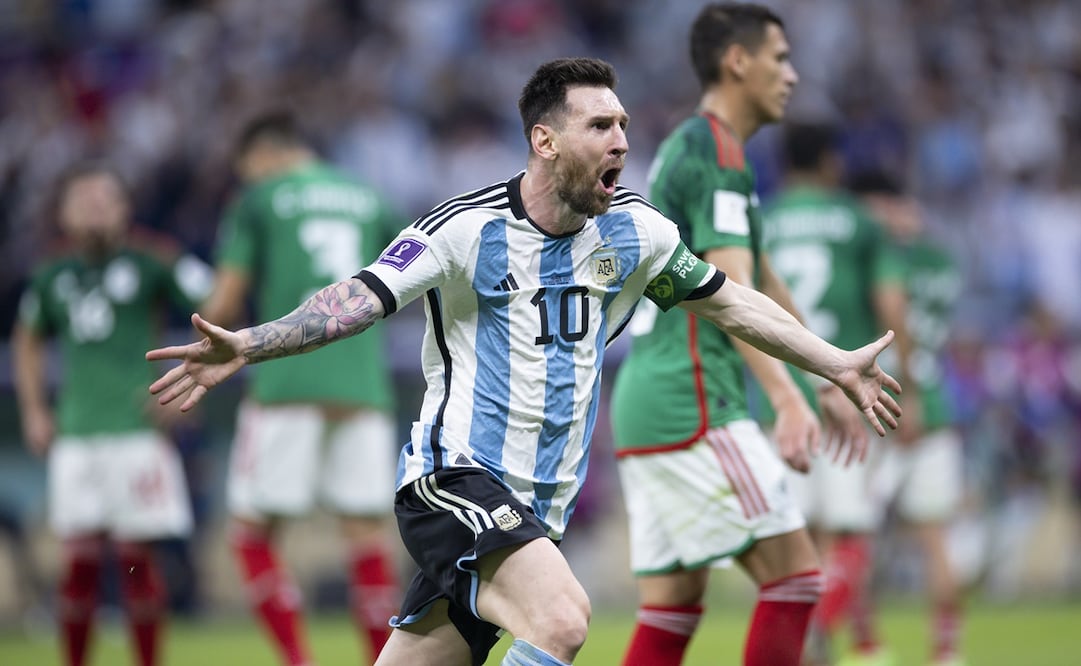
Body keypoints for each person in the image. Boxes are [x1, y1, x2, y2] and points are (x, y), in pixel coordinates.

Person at [146, 57, 902, 666]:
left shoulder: (634, 234)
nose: (620, 142)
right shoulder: (463, 231)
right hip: (453, 481)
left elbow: (732, 302)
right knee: (562, 619)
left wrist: (831, 361)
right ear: (544, 142)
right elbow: (359, 297)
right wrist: (251, 342)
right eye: (600, 126)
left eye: (624, 126)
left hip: (539, 505)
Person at [608, 5, 868, 666]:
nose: (791, 74)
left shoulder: (699, 146)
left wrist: (830, 373)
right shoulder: (715, 150)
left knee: (669, 612)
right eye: (779, 58)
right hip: (691, 399)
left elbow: (769, 284)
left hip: (650, 400)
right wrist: (786, 397)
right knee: (796, 576)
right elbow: (733, 297)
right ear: (737, 61)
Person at [198, 109, 405, 666]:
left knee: (252, 534)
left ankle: (297, 659)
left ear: (260, 156)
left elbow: (221, 303)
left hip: (286, 382)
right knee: (366, 536)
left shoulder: (258, 199)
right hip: (363, 388)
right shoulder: (370, 197)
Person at [12, 161, 213, 666]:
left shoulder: (154, 260)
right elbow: (27, 340)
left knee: (134, 559)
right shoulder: (51, 274)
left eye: (105, 200)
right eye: (84, 202)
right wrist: (35, 409)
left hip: (137, 430)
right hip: (77, 432)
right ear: (63, 213)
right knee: (77, 562)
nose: (95, 211)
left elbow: (218, 305)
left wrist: (195, 381)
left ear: (124, 208)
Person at [760, 123, 912, 666]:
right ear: (830, 162)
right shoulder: (859, 222)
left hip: (782, 398)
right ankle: (816, 633)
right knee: (851, 532)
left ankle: (810, 638)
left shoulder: (764, 220)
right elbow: (893, 306)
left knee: (797, 535)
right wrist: (909, 389)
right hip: (852, 395)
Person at [849, 170, 966, 666]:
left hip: (882, 401)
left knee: (853, 536)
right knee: (934, 537)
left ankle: (866, 646)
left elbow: (888, 315)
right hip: (934, 405)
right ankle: (946, 652)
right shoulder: (941, 260)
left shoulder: (873, 259)